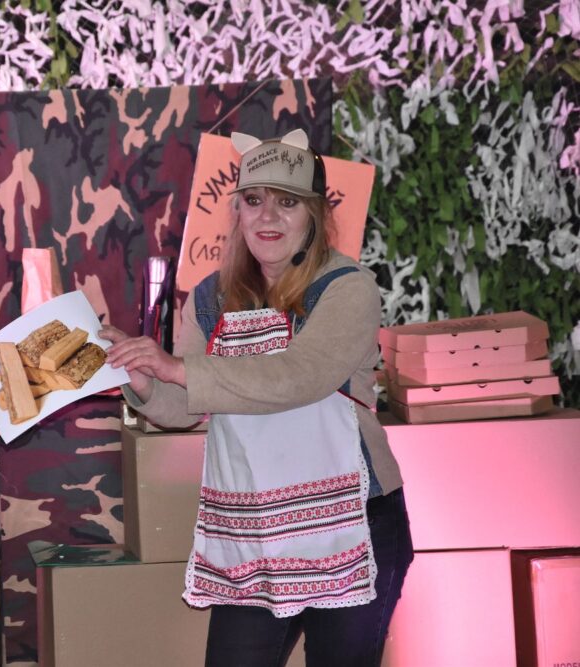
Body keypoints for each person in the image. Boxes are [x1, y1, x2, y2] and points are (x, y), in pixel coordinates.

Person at [101, 129, 414, 666]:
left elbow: (297, 377)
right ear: (237, 211)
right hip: (256, 531)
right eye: (253, 200)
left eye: (286, 203)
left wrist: (177, 367)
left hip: (352, 523)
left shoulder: (347, 286)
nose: (267, 217)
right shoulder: (211, 296)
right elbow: (184, 405)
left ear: (314, 214)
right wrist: (143, 377)